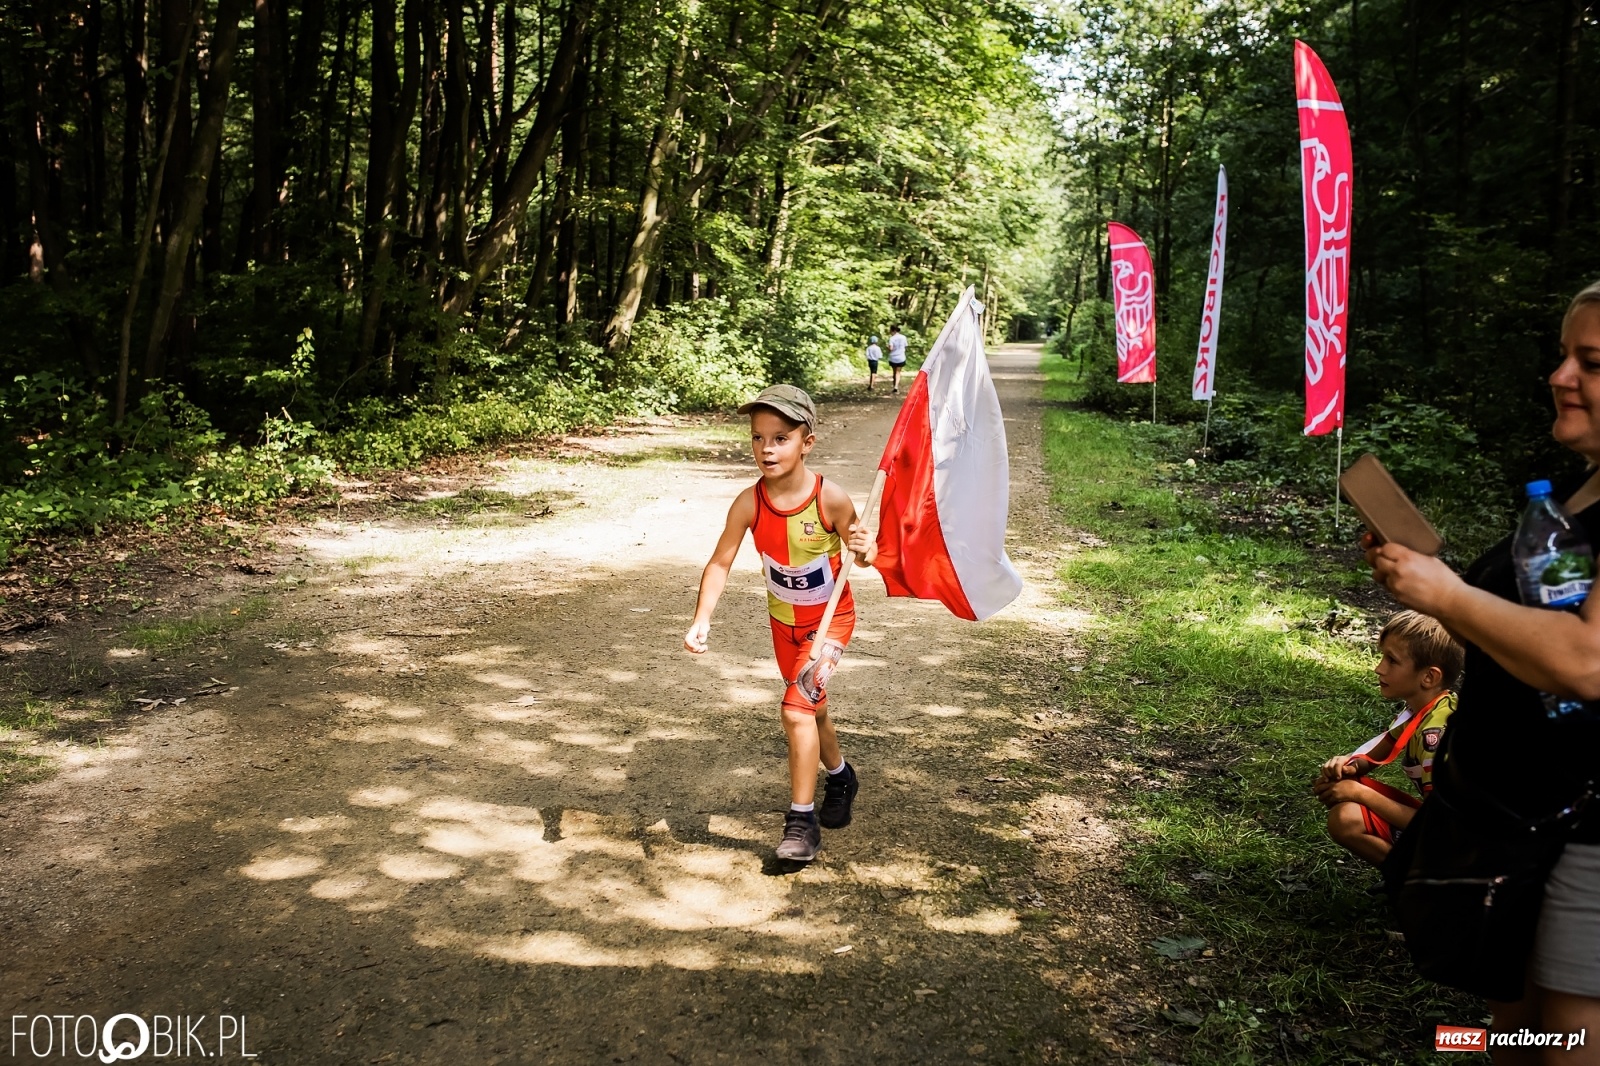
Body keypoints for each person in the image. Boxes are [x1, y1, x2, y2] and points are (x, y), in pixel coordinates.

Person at [1367, 279, 1600, 1062]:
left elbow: (1586, 662)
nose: (1560, 376)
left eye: (1591, 362)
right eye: (1564, 355)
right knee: (1510, 1028)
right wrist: (1425, 584)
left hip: (1582, 827)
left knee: (1566, 1034)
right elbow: (1522, 623)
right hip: (1509, 814)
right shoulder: (1569, 492)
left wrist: (1447, 593)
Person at [683, 384, 875, 862]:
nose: (767, 448)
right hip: (782, 624)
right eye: (758, 438)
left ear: (807, 441)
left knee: (794, 710)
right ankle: (842, 776)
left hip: (831, 622)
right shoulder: (749, 503)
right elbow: (720, 562)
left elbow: (866, 556)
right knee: (812, 708)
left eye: (781, 438)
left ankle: (801, 822)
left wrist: (866, 550)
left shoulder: (829, 498)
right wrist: (702, 617)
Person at [1314, 611, 1463, 865]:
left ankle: (1421, 891)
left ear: (1429, 677)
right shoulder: (1426, 707)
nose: (1378, 668)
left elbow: (1440, 825)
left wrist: (1359, 793)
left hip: (1467, 845)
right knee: (1345, 799)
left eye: (1392, 661)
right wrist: (1347, 766)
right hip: (1453, 832)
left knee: (1346, 819)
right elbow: (1377, 753)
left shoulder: (1437, 739)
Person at [887, 325, 908, 393]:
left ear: (893, 330)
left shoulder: (892, 338)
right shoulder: (903, 337)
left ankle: (894, 387)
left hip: (893, 357)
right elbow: (905, 346)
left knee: (894, 372)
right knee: (898, 372)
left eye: (890, 330)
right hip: (901, 357)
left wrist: (887, 347)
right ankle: (896, 386)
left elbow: (891, 348)